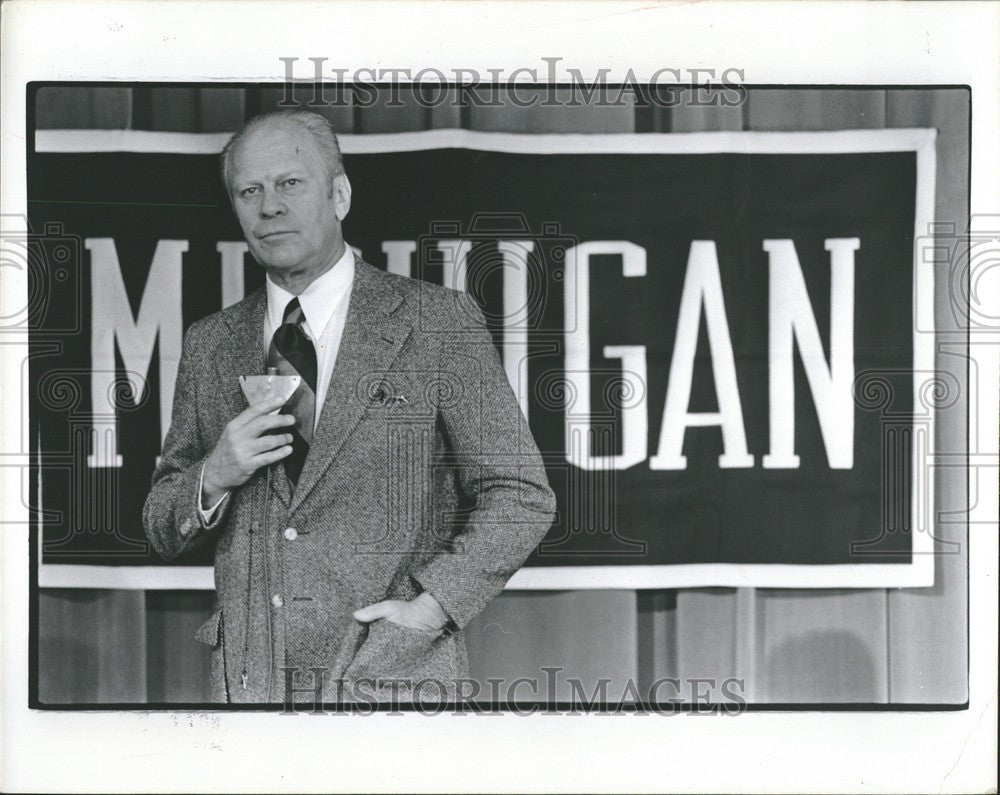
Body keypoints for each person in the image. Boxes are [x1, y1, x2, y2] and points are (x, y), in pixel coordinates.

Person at [143, 110, 556, 704]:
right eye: (249, 191)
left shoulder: (435, 322)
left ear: (340, 194)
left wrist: (433, 606)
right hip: (251, 693)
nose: (269, 207)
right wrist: (214, 474)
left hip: (393, 681)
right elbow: (162, 526)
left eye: (290, 183)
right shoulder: (211, 341)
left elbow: (520, 494)